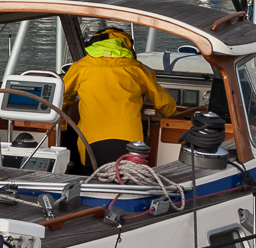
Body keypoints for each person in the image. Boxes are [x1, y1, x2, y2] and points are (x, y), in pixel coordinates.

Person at [62, 27, 176, 169]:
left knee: (92, 180)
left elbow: (61, 96)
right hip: (129, 138)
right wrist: (172, 114)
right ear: (126, 44)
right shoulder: (138, 69)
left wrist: (65, 107)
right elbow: (164, 103)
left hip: (91, 138)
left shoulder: (81, 67)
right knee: (128, 179)